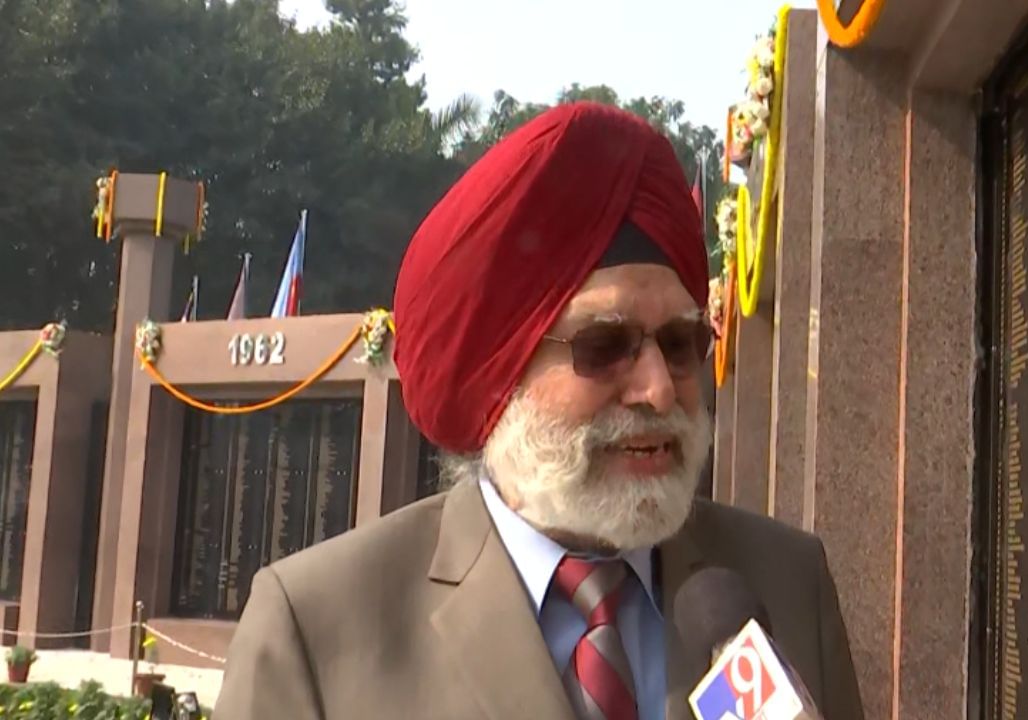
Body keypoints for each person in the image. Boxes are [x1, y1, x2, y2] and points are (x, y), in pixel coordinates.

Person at [215, 102, 863, 720]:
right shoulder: (318, 625)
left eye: (679, 343)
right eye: (604, 346)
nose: (660, 390)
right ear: (501, 373)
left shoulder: (785, 582)